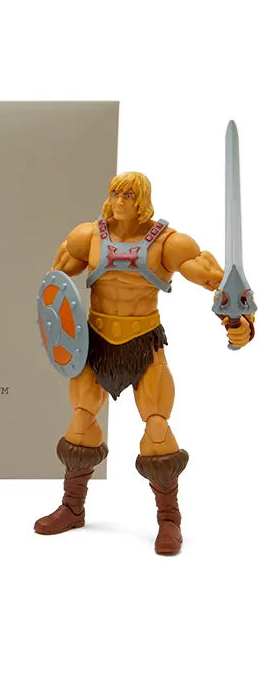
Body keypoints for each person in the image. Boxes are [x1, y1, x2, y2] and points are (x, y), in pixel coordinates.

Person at [34, 171, 254, 554]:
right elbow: (52, 284)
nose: (119, 202)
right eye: (115, 194)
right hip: (95, 343)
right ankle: (72, 507)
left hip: (144, 344)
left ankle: (169, 520)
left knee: (157, 429)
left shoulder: (167, 244)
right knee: (81, 423)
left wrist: (241, 321)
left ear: (143, 201)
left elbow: (217, 283)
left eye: (128, 196)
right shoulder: (87, 237)